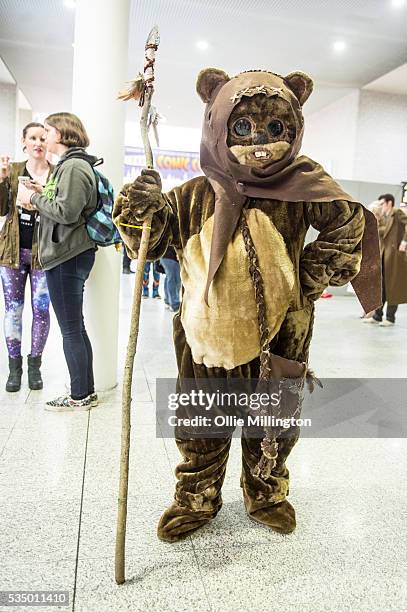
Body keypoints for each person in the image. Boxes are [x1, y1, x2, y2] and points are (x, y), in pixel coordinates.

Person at [114, 67, 381, 542]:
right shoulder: (194, 195)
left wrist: (308, 277)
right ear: (218, 127)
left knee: (274, 419)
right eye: (242, 128)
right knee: (202, 421)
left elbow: (348, 225)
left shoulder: (302, 187)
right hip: (205, 334)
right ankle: (196, 495)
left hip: (282, 331)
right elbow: (146, 246)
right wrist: (139, 209)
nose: (260, 141)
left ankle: (266, 492)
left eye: (275, 129)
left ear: (294, 128)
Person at [18, 112, 99, 411]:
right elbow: (66, 204)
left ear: (63, 134)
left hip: (68, 256)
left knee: (70, 330)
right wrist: (43, 193)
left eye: (48, 131)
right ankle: (85, 391)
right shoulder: (70, 166)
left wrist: (33, 200)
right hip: (68, 254)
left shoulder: (74, 167)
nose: (45, 136)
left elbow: (67, 213)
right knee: (75, 327)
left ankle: (79, 395)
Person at [0, 123, 52, 392]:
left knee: (41, 310)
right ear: (24, 141)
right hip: (11, 252)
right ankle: (14, 369)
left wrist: (42, 194)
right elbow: (0, 210)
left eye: (43, 138)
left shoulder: (55, 174)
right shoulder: (14, 171)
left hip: (44, 254)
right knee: (14, 310)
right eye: (32, 138)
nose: (38, 143)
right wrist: (2, 179)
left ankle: (35, 368)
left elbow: (61, 212)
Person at [363, 193, 407, 326]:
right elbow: (384, 232)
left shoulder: (397, 212)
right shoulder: (386, 217)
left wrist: (405, 241)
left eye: (382, 203)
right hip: (384, 256)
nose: (380, 206)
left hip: (394, 258)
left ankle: (390, 318)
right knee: (381, 287)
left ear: (389, 203)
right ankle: (377, 316)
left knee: (393, 286)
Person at [160, 246, 181, 312]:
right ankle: (174, 304)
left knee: (169, 278)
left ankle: (168, 301)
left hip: (165, 256)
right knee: (174, 280)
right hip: (171, 256)